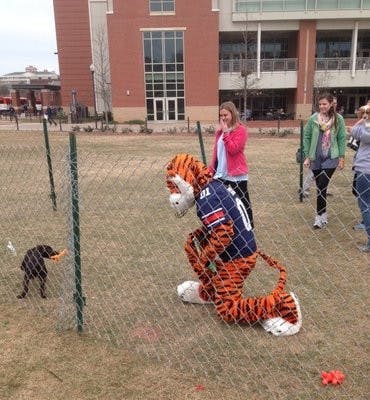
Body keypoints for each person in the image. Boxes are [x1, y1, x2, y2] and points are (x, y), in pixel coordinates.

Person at [303, 93, 346, 229]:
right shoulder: (313, 119)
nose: (322, 106)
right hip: (315, 158)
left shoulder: (338, 119)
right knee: (321, 188)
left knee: (321, 185)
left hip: (331, 158)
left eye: (324, 104)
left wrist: (341, 157)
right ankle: (324, 214)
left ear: (331, 104)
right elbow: (307, 137)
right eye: (320, 104)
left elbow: (341, 138)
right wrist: (307, 156)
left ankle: (319, 217)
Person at [209, 101, 254, 229]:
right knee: (223, 204)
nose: (223, 118)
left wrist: (226, 133)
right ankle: (229, 228)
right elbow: (216, 154)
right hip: (220, 175)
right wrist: (211, 170)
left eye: (225, 115)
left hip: (236, 175)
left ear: (232, 114)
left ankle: (249, 228)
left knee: (243, 204)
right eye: (221, 115)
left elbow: (233, 149)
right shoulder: (219, 133)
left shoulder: (241, 130)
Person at [350, 105, 370, 251]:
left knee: (365, 205)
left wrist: (362, 119)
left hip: (365, 170)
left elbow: (354, 131)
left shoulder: (366, 129)